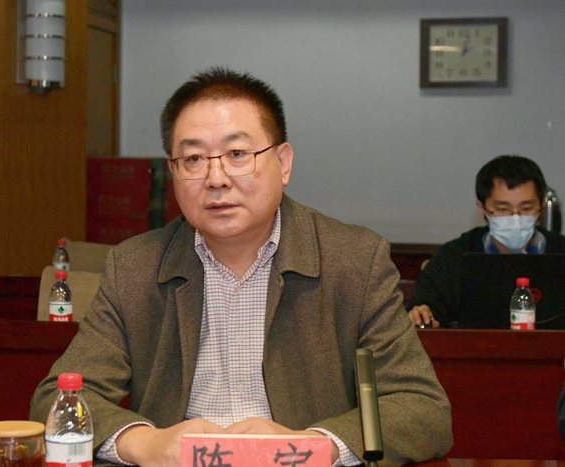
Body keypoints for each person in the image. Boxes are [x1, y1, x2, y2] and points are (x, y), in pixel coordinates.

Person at [30, 67, 452, 466]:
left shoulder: (354, 260)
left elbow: (422, 407)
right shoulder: (134, 267)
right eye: (193, 159)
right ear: (173, 171)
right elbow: (57, 399)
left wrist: (310, 447)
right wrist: (147, 443)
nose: (216, 178)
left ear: (283, 163)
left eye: (237, 153)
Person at [407, 155, 565, 328]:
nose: (515, 219)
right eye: (502, 209)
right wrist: (422, 314)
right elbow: (424, 309)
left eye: (526, 208)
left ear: (541, 205)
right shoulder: (454, 256)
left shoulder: (560, 250)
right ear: (482, 208)